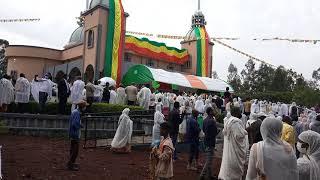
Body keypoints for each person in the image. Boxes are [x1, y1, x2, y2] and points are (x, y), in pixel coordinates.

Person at [219, 106, 248, 180]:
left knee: (228, 162)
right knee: (233, 167)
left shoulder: (228, 120)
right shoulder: (236, 122)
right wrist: (246, 132)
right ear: (237, 113)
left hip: (229, 147)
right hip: (234, 150)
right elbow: (239, 136)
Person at [67, 100, 87, 171]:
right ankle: (70, 164)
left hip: (73, 133)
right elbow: (75, 124)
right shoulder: (77, 113)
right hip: (75, 133)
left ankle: (71, 163)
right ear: (82, 107)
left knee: (73, 149)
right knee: (75, 150)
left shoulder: (75, 111)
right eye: (85, 106)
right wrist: (80, 126)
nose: (85, 108)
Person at [200, 107, 218, 180]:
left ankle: (210, 175)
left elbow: (204, 130)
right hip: (211, 142)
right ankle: (202, 175)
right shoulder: (212, 121)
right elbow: (215, 132)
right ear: (210, 112)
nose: (214, 112)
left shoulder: (205, 120)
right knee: (209, 160)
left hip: (206, 141)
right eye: (212, 110)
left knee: (209, 159)